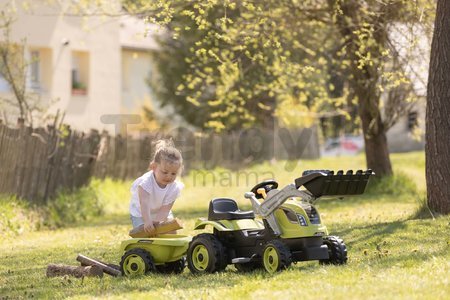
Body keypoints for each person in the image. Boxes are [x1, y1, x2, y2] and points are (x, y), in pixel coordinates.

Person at [129, 139, 184, 234]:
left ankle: (170, 247)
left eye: (173, 173)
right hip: (141, 213)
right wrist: (147, 221)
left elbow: (165, 209)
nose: (169, 176)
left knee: (170, 231)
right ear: (154, 167)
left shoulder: (174, 187)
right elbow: (144, 203)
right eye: (165, 172)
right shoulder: (146, 182)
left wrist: (158, 223)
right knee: (145, 233)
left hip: (160, 211)